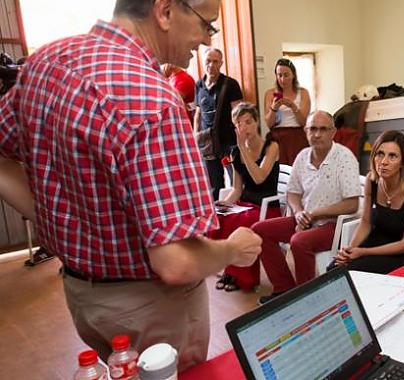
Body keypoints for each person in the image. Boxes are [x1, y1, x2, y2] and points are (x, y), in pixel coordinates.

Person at [0, 0, 262, 370]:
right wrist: (232, 250)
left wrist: (55, 218)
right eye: (207, 24)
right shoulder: (151, 100)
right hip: (148, 305)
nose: (206, 40)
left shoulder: (46, 62)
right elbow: (175, 262)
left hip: (83, 297)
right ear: (166, 11)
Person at [253, 111, 360, 303]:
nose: (317, 134)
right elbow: (293, 192)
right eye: (313, 129)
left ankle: (307, 299)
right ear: (305, 131)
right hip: (306, 217)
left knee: (299, 241)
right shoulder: (302, 156)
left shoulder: (345, 158)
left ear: (333, 132)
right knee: (259, 230)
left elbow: (352, 204)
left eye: (323, 129)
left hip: (334, 225)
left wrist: (315, 213)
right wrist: (299, 211)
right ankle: (284, 290)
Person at [330, 130, 404, 274]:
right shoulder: (372, 180)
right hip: (377, 241)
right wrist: (349, 251)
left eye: (392, 156)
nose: (384, 162)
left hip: (401, 251)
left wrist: (363, 252)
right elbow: (365, 223)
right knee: (334, 268)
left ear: (402, 162)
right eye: (380, 154)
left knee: (350, 273)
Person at [210, 102, 281, 292]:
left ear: (257, 122)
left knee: (240, 221)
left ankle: (244, 278)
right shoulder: (235, 151)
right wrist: (222, 204)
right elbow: (237, 189)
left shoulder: (271, 146)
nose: (244, 128)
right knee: (219, 216)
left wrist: (243, 148)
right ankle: (230, 270)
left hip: (267, 207)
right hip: (245, 204)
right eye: (239, 124)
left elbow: (259, 178)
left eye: (248, 122)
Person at [194, 47, 243, 201]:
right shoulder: (199, 85)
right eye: (208, 61)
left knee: (236, 183)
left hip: (229, 143)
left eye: (215, 61)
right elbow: (198, 113)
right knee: (214, 185)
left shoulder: (230, 84)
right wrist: (196, 137)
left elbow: (238, 113)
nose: (211, 65)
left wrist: (242, 140)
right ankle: (219, 217)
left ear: (221, 63)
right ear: (203, 62)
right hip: (208, 144)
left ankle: (237, 213)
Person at [263, 58, 310, 165]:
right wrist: (274, 108)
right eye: (279, 75)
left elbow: (303, 122)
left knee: (297, 170)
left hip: (297, 136)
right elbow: (269, 124)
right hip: (277, 137)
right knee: (279, 171)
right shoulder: (270, 93)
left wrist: (292, 106)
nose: (282, 79)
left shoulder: (303, 93)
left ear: (293, 75)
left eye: (286, 75)